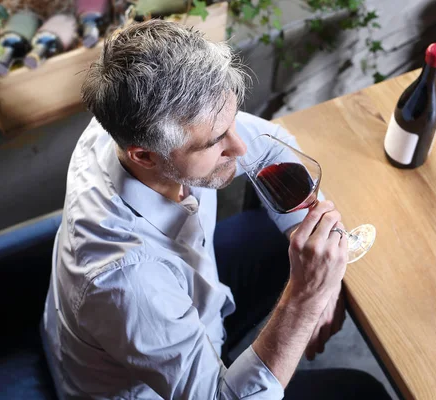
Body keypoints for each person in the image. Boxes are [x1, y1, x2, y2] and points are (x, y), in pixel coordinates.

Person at [42, 19, 390, 400]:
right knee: (363, 391)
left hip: (193, 300)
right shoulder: (125, 281)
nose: (240, 148)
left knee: (283, 235)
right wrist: (308, 296)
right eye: (216, 141)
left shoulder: (130, 118)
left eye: (232, 121)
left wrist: (321, 265)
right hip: (145, 388)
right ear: (145, 155)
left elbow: (273, 148)